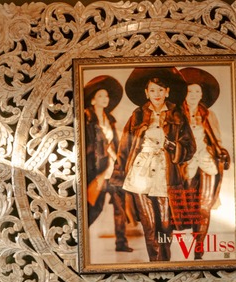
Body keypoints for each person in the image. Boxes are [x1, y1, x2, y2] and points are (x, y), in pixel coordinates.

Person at [111, 66, 195, 262]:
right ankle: (156, 266)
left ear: (167, 92)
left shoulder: (177, 115)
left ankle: (165, 264)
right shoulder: (138, 115)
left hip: (166, 177)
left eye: (160, 89)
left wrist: (173, 146)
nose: (156, 94)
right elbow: (125, 146)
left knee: (165, 225)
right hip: (140, 176)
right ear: (146, 92)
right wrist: (117, 175)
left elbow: (189, 147)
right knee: (149, 226)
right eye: (152, 90)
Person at [176, 67, 231, 260]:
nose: (194, 95)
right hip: (185, 167)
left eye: (197, 91)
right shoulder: (176, 115)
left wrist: (221, 153)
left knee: (204, 206)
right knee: (188, 208)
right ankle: (189, 242)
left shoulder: (209, 115)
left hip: (207, 165)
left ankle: (199, 249)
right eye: (190, 91)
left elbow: (217, 140)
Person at [81, 75, 132, 252]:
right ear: (93, 99)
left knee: (120, 207)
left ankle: (121, 243)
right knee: (94, 207)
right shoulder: (86, 119)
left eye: (106, 96)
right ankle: (78, 238)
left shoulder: (110, 119)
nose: (105, 99)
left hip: (114, 170)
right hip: (98, 170)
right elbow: (88, 147)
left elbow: (116, 143)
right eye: (101, 96)